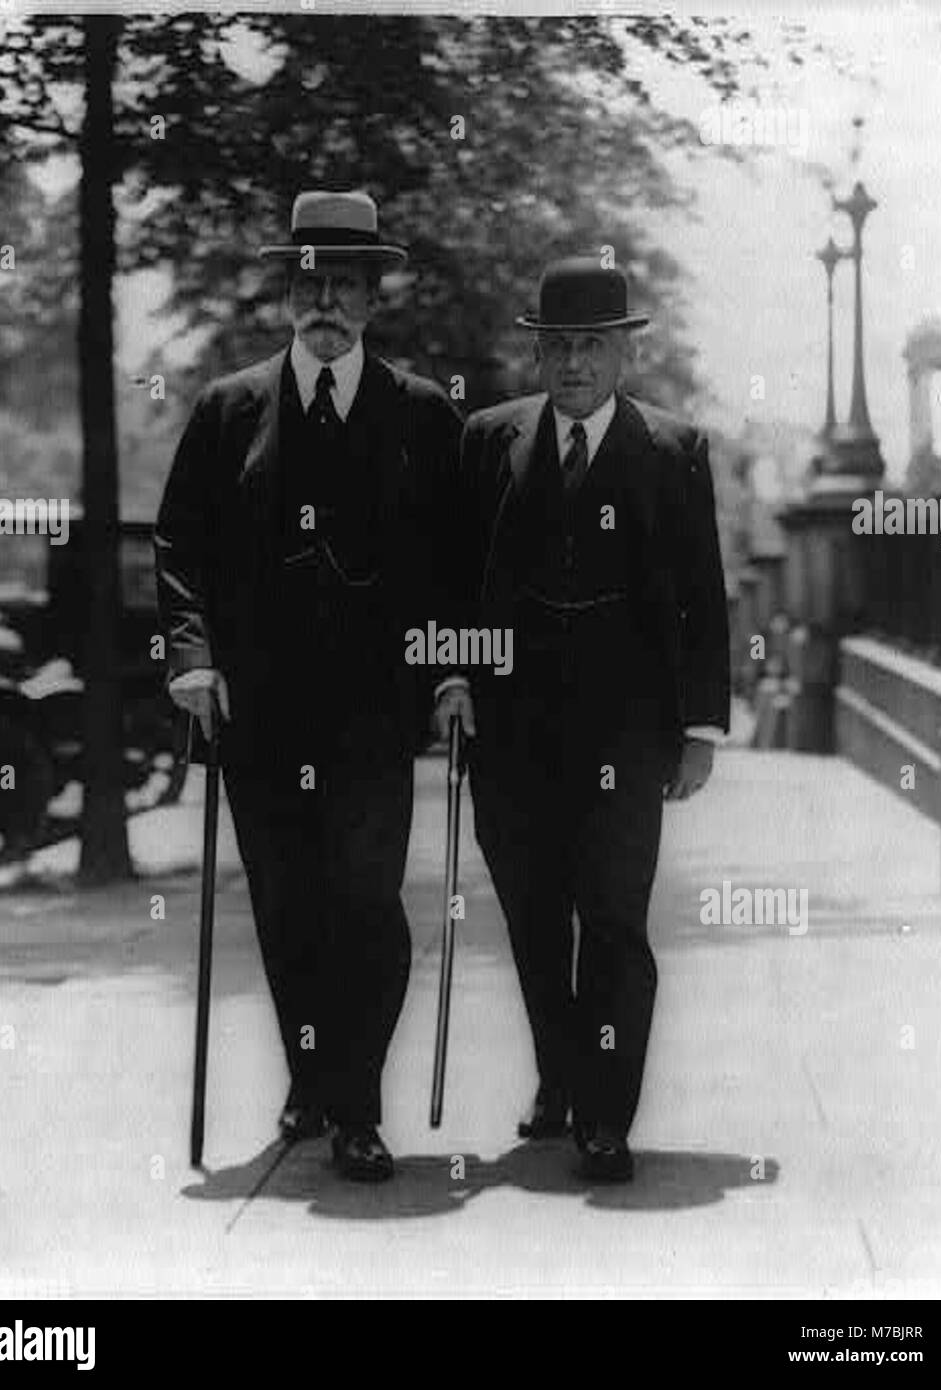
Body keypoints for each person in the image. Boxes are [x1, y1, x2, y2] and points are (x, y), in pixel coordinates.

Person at [156, 190, 462, 1182]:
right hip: (261, 716)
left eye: (345, 283)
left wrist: (457, 667)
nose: (324, 298)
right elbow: (180, 547)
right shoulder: (228, 409)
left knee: (368, 907)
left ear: (374, 300)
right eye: (309, 279)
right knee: (287, 908)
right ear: (292, 292)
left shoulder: (421, 414)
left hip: (375, 715)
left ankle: (358, 1108)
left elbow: (461, 563)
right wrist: (193, 656)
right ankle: (310, 1077)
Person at [435, 256, 730, 1182]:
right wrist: (451, 679)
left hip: (624, 738)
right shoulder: (487, 440)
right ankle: (557, 1076)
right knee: (531, 919)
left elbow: (700, 599)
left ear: (620, 354)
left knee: (610, 922)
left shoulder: (671, 450)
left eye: (590, 347)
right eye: (556, 347)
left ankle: (605, 1113)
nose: (571, 365)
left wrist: (699, 731)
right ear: (539, 352)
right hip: (510, 736)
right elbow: (453, 577)